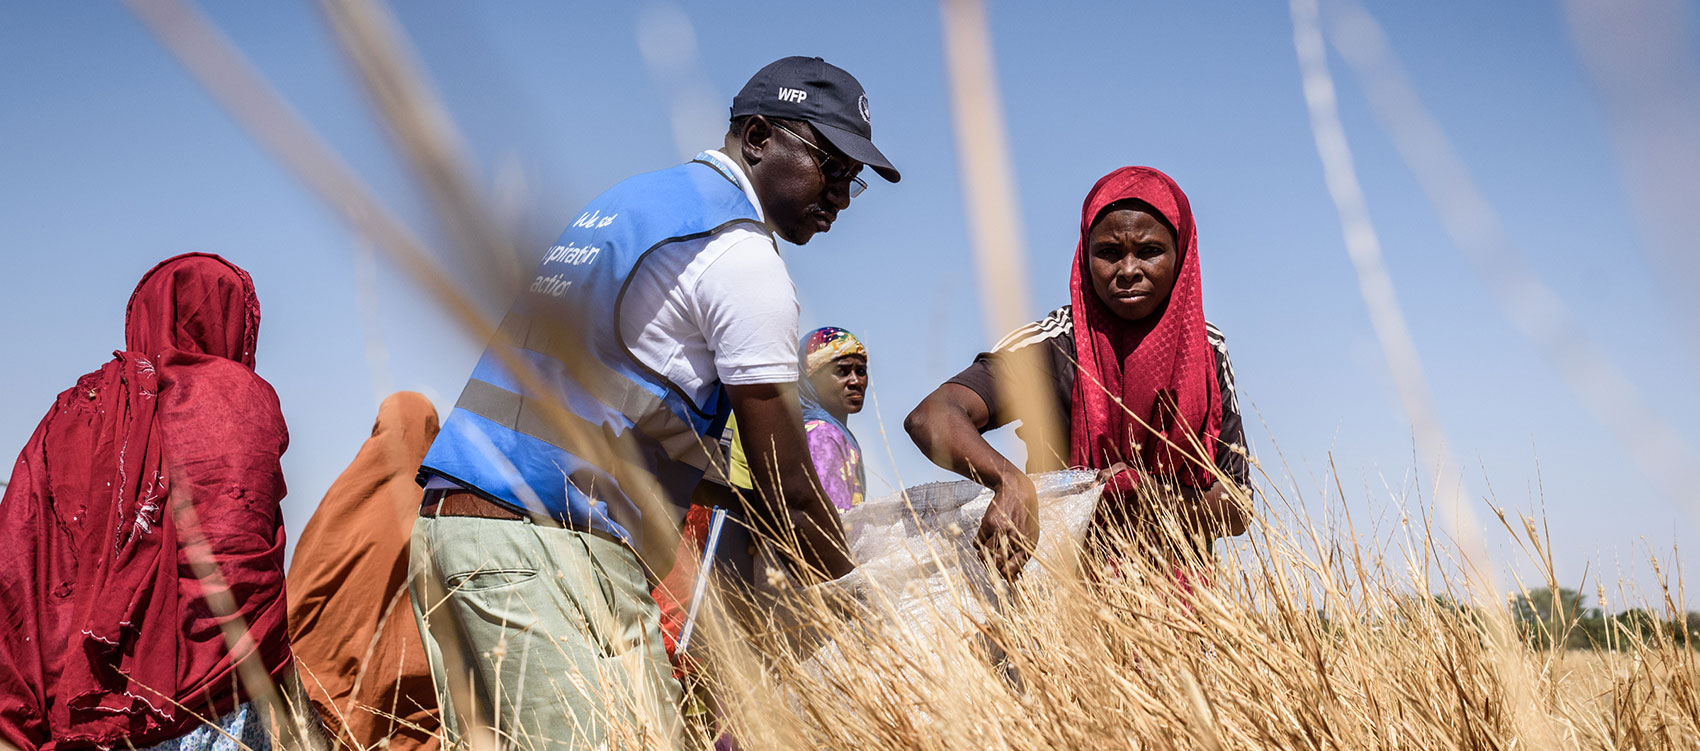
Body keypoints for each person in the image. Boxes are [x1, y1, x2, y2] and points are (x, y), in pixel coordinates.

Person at [410, 56, 900, 750]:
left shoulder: (630, 205)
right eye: (831, 166)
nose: (841, 197)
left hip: (457, 534)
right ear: (758, 137)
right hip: (544, 552)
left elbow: (618, 411)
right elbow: (790, 482)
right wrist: (861, 601)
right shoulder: (740, 254)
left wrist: (742, 502)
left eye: (854, 182)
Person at [0, 254, 297, 750]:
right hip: (219, 698)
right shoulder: (240, 399)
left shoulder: (79, 406)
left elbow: (20, 547)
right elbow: (244, 553)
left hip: (83, 694)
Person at [906, 167, 1250, 581]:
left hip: (1182, 606)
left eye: (1149, 251)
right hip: (1062, 595)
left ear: (1182, 255)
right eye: (1107, 252)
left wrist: (1143, 495)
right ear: (1084, 255)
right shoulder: (1053, 344)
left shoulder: (1206, 351)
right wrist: (1009, 481)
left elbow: (1237, 505)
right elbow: (933, 416)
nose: (1127, 269)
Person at [287, 391, 441, 751]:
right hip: (409, 716)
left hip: (324, 700)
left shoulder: (342, 499)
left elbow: (302, 589)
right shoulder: (437, 511)